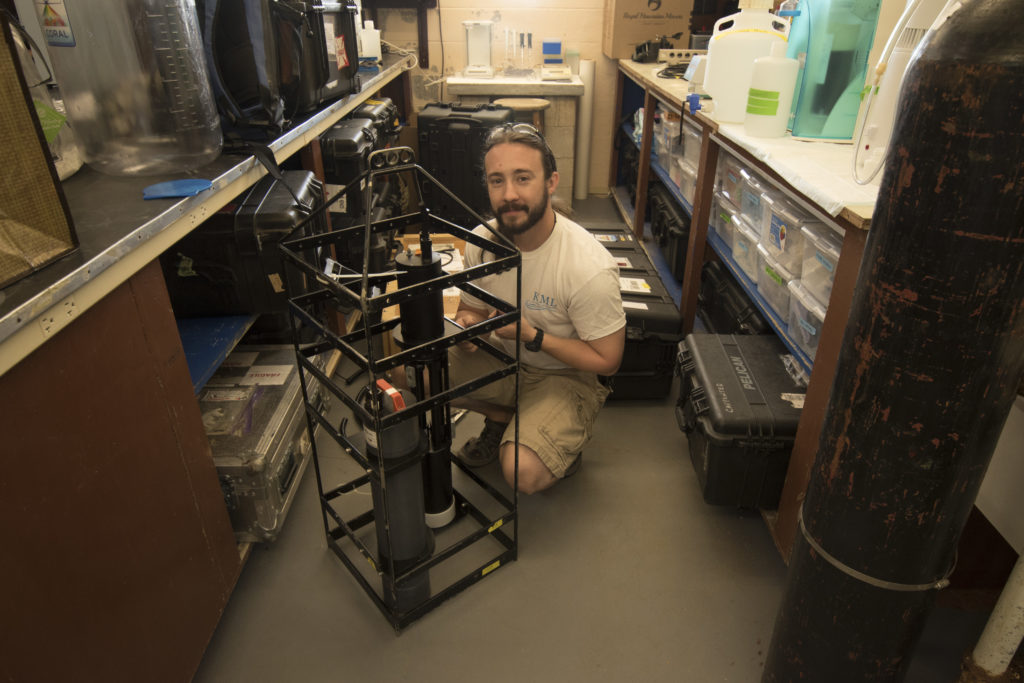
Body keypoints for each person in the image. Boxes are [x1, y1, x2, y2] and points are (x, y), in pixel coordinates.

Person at [450, 123, 626, 494]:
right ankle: (509, 418)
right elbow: (472, 310)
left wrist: (534, 335)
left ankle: (555, 441)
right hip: (505, 359)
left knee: (521, 472)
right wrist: (468, 327)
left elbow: (608, 361)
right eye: (497, 180)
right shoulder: (482, 241)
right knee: (413, 371)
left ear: (551, 182)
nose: (509, 194)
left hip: (566, 376)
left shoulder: (587, 266)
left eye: (523, 178)